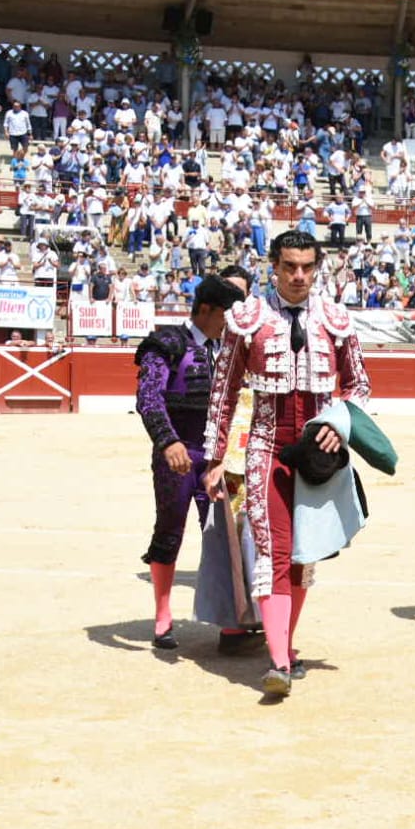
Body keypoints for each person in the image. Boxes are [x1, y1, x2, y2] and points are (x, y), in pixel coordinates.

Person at [204, 231, 372, 698]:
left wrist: (338, 424)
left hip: (317, 455)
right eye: (289, 266)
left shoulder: (336, 320)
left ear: (317, 268)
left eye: (307, 267)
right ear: (273, 266)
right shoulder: (246, 319)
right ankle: (277, 660)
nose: (298, 276)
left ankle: (287, 644)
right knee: (274, 552)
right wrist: (215, 458)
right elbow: (223, 390)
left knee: (303, 556)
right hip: (264, 446)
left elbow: (359, 386)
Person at [134, 276, 246, 650]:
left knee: (223, 535)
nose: (230, 324)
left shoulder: (229, 348)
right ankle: (163, 618)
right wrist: (167, 441)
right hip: (178, 455)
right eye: (225, 316)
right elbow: (149, 397)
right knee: (169, 530)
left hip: (216, 457)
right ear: (206, 310)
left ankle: (230, 621)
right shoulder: (166, 343)